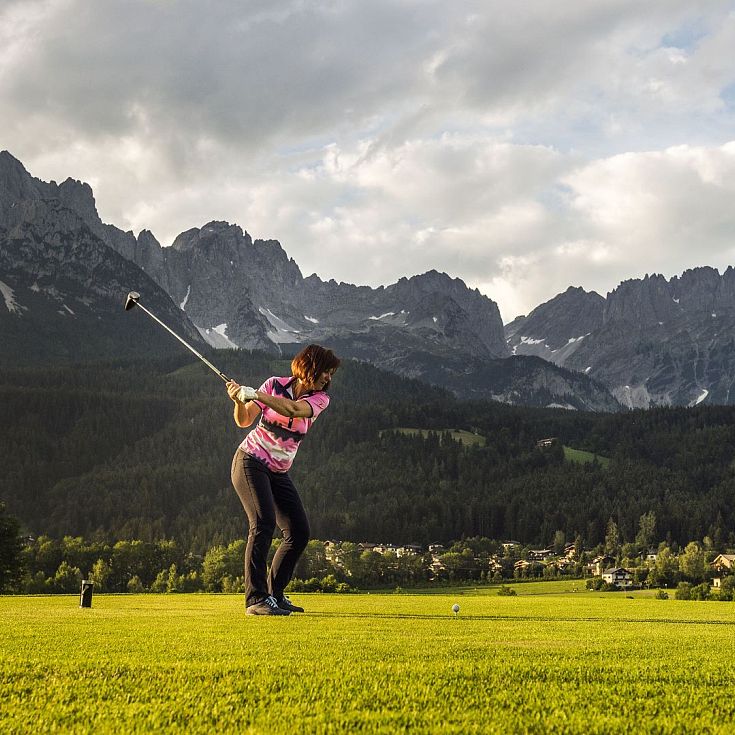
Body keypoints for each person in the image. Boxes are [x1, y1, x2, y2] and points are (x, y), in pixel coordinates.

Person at [226, 344, 340, 615]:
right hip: (250, 461)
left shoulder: (320, 400)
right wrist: (239, 401)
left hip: (278, 471)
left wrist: (257, 394)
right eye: (326, 371)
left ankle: (274, 594)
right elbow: (244, 421)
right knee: (263, 523)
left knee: (298, 532)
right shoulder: (274, 384)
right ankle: (256, 600)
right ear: (310, 367)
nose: (328, 378)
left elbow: (292, 409)